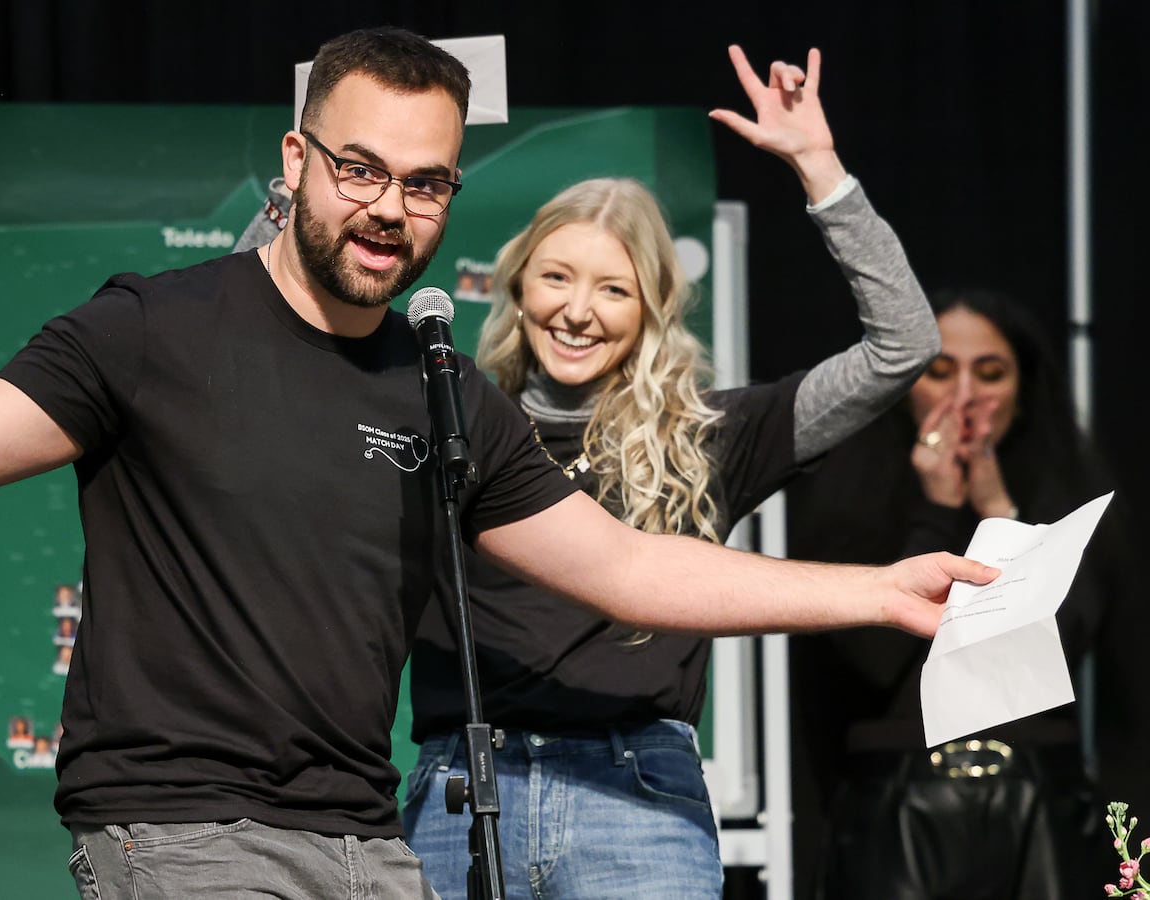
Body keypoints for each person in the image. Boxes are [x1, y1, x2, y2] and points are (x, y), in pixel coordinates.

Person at [0, 27, 993, 899]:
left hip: (367, 848)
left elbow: (628, 565)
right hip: (179, 835)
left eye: (426, 181)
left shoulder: (442, 390)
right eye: (361, 168)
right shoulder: (152, 328)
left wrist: (875, 592)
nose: (390, 208)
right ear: (299, 160)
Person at [396, 46, 939, 898]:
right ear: (515, 285)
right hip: (462, 793)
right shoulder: (446, 420)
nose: (578, 310)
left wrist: (818, 167)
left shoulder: (712, 432)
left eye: (613, 290)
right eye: (557, 277)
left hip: (636, 801)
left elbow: (905, 347)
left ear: (652, 308)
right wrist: (293, 203)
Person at [783, 289, 1126, 899]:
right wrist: (937, 509)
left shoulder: (1069, 490)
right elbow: (870, 659)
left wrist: (1000, 513)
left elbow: (1069, 641)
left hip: (1039, 804)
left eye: (989, 372)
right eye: (938, 372)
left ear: (1023, 391)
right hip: (896, 806)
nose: (963, 394)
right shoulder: (850, 494)